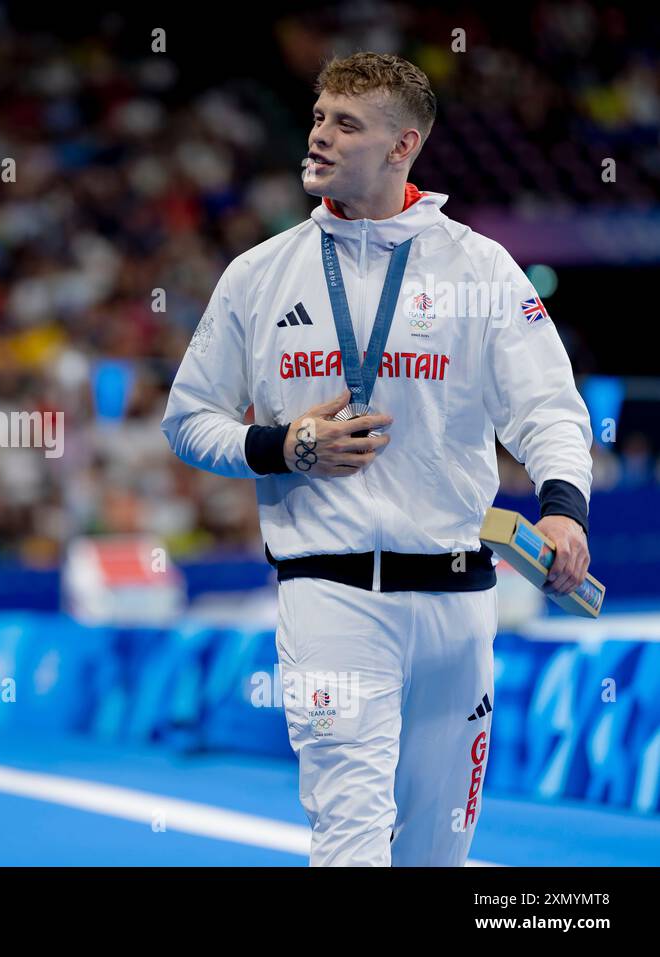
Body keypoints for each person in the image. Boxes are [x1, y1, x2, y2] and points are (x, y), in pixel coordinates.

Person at [161, 52, 592, 866]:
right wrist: (280, 445)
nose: (319, 135)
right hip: (330, 597)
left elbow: (548, 408)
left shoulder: (481, 269)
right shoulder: (258, 275)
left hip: (462, 599)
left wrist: (565, 508)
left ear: (404, 148)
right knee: (350, 837)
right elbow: (188, 420)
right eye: (320, 116)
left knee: (438, 851)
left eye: (346, 124)